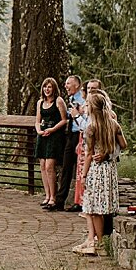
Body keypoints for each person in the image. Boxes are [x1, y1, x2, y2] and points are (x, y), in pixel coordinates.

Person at [74, 90, 128, 255]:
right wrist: (109, 153)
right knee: (101, 205)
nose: (86, 106)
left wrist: (83, 175)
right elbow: (123, 145)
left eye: (88, 104)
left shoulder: (91, 128)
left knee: (95, 207)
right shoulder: (114, 124)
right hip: (110, 169)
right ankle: (94, 239)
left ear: (93, 108)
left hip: (97, 170)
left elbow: (89, 154)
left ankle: (99, 242)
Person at [34, 77, 68, 209]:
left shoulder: (59, 101)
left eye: (49, 87)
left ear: (54, 88)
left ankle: (54, 197)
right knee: (42, 165)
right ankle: (47, 195)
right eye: (45, 87)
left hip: (54, 136)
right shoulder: (40, 102)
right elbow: (37, 120)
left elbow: (64, 119)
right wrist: (39, 131)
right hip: (43, 135)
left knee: (50, 166)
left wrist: (52, 129)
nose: (47, 89)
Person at [72, 78, 103, 209]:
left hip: (94, 145)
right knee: (81, 171)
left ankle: (90, 204)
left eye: (93, 89)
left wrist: (77, 117)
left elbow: (90, 128)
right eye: (88, 88)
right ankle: (81, 202)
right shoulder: (86, 104)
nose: (90, 91)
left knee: (88, 172)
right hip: (84, 140)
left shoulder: (99, 107)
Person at [55, 75, 84, 211]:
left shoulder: (82, 99)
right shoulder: (71, 98)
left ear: (76, 85)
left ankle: (80, 202)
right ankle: (59, 200)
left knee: (80, 169)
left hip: (80, 135)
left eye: (68, 84)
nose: (66, 86)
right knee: (66, 167)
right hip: (70, 135)